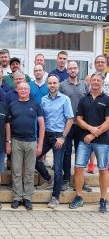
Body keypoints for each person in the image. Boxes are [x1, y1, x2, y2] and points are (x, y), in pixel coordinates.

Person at [69, 72, 109, 213]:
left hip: (102, 141)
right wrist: (91, 129)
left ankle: (103, 200)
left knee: (103, 170)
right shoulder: (83, 99)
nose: (96, 82)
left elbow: (108, 122)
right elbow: (78, 119)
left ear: (102, 83)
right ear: (89, 82)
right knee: (79, 168)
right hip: (83, 140)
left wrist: (92, 135)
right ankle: (79, 197)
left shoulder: (107, 99)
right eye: (94, 80)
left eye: (98, 80)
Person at [36, 74, 74, 209]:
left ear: (58, 84)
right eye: (50, 83)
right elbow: (41, 119)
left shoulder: (65, 99)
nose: (52, 85)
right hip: (46, 136)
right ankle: (47, 178)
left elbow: (70, 119)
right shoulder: (43, 100)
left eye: (54, 83)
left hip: (59, 137)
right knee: (33, 158)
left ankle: (55, 197)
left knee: (58, 168)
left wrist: (63, 137)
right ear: (47, 85)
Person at [9, 82, 44, 210]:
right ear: (17, 90)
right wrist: (8, 142)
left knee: (29, 171)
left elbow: (42, 125)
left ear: (29, 91)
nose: (23, 90)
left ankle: (27, 197)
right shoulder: (12, 105)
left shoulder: (35, 104)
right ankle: (17, 197)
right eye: (21, 88)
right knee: (16, 171)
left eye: (25, 88)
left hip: (31, 141)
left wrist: (40, 144)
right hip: (16, 141)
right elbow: (8, 125)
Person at [59, 61, 90, 191]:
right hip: (67, 124)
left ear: (78, 69)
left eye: (75, 68)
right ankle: (66, 178)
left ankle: (80, 181)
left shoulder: (85, 85)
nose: (72, 70)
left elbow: (89, 103)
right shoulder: (62, 86)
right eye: (70, 68)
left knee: (80, 153)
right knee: (66, 153)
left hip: (81, 125)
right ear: (67, 71)